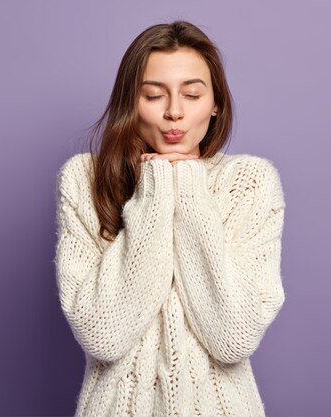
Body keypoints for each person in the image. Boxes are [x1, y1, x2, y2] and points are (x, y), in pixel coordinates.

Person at [54, 20, 286, 417]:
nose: (174, 112)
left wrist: (189, 186)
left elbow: (232, 337)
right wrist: (159, 187)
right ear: (132, 102)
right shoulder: (83, 180)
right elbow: (104, 335)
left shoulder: (251, 183)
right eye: (153, 95)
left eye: (192, 94)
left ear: (216, 104)